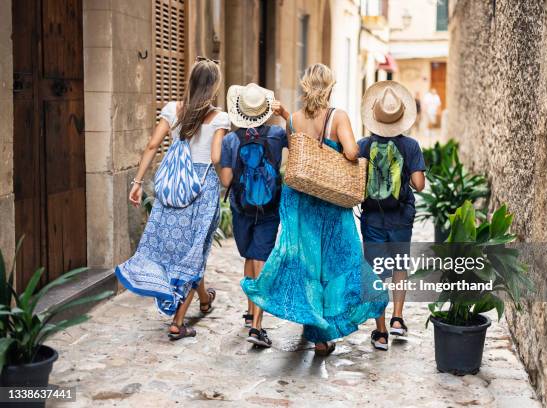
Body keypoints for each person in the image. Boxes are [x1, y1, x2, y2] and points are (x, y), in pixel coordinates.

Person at [241, 63, 388, 356]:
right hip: (330, 202)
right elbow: (349, 151)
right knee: (344, 260)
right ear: (330, 87)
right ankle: (361, 330)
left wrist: (284, 115)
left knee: (297, 260)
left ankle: (261, 323)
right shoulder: (338, 116)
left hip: (300, 200)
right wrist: (352, 149)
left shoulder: (294, 119)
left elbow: (298, 154)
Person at [115, 57, 230, 340]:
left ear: (190, 82)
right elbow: (216, 158)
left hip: (173, 189)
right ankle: (178, 322)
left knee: (183, 250)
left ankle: (204, 298)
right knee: (195, 252)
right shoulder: (220, 118)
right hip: (202, 191)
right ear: (214, 86)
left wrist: (138, 182)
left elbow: (153, 145)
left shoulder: (172, 110)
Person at [358, 81, 426, 350]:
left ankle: (382, 331)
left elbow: (355, 181)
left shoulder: (363, 145)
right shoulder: (411, 146)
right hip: (401, 216)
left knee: (376, 272)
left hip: (373, 217)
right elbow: (419, 184)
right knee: (399, 266)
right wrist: (404, 178)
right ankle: (398, 318)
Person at [219, 83, 287, 347]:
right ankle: (255, 322)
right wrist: (287, 116)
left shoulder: (230, 140)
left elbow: (226, 180)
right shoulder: (277, 135)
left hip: (241, 208)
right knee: (259, 259)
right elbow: (300, 143)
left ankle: (254, 320)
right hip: (269, 209)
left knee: (251, 257)